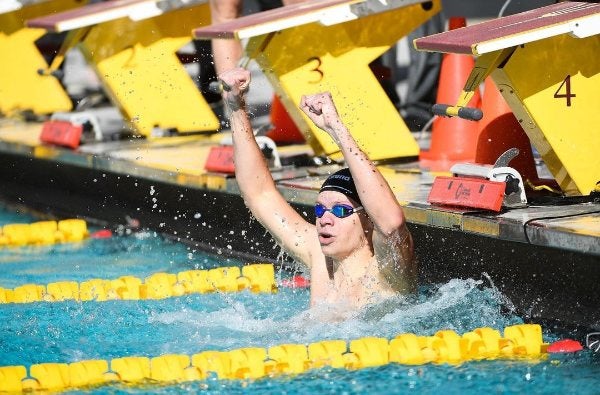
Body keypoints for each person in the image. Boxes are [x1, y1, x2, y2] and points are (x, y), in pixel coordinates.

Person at [219, 67, 416, 310]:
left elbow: (392, 223)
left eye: (340, 211)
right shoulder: (319, 257)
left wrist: (335, 129)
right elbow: (259, 194)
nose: (325, 220)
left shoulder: (386, 271)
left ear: (368, 220)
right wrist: (235, 106)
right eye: (320, 210)